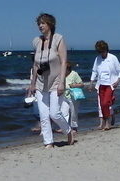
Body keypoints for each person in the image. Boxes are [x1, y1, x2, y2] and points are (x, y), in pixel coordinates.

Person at [27, 13, 73, 148]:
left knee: (54, 113)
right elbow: (35, 64)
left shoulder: (58, 39)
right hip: (41, 83)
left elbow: (63, 62)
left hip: (56, 82)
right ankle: (48, 142)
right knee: (43, 114)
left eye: (43, 23)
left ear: (50, 24)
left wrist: (61, 82)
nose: (40, 26)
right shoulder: (36, 41)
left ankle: (68, 131)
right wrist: (32, 84)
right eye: (39, 23)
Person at [89, 40, 120, 131]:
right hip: (101, 85)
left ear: (106, 49)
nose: (102, 53)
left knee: (105, 103)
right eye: (100, 52)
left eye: (102, 51)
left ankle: (107, 124)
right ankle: (106, 122)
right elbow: (94, 71)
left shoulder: (113, 58)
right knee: (102, 105)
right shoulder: (97, 59)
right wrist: (91, 83)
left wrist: (118, 81)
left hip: (110, 85)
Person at [60, 61, 83, 139]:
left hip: (72, 96)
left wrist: (74, 85)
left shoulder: (74, 74)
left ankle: (74, 127)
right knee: (64, 112)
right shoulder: (61, 75)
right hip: (64, 96)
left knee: (73, 112)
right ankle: (65, 128)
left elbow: (81, 84)